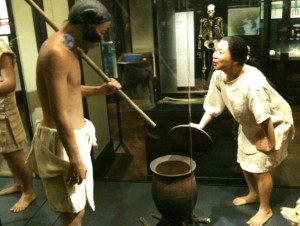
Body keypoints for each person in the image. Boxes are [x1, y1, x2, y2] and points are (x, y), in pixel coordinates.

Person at [25, 0, 121, 225]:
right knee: (72, 214)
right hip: (63, 142)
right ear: (86, 27)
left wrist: (100, 90)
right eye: (101, 32)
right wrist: (76, 158)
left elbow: (69, 90)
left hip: (72, 137)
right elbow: (60, 113)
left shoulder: (68, 41)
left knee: (77, 209)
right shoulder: (56, 53)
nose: (102, 39)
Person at [191, 36, 294, 226]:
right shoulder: (219, 75)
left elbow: (264, 117)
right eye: (215, 50)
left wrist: (270, 141)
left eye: (221, 52)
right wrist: (200, 126)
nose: (214, 55)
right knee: (245, 161)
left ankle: (265, 209)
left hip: (273, 122)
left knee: (260, 169)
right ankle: (253, 194)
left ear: (236, 60)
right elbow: (213, 106)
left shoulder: (252, 83)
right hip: (250, 123)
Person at [0, 38, 36, 212]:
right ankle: (18, 183)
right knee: (5, 149)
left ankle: (29, 192)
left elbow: (9, 83)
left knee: (14, 151)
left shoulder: (0, 48)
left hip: (4, 110)